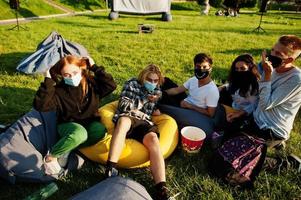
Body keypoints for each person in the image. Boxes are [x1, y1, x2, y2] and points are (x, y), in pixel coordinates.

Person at [33, 55, 116, 175]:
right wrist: (48, 81)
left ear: (81, 69)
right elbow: (40, 105)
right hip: (67, 125)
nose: (71, 77)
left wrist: (94, 67)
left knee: (99, 130)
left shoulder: (91, 84)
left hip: (89, 123)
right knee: (79, 134)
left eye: (75, 72)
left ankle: (70, 147)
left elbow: (111, 85)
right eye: (66, 74)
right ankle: (52, 156)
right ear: (61, 74)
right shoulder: (59, 91)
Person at [105, 64, 170, 200]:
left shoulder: (157, 91)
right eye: (149, 80)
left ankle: (162, 188)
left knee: (153, 139)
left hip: (144, 121)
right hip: (128, 116)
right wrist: (145, 99)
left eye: (155, 81)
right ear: (143, 77)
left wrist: (155, 109)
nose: (152, 83)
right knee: (123, 123)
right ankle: (110, 169)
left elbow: (151, 110)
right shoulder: (132, 84)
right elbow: (123, 105)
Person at [224, 35, 301, 145]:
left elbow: (265, 104)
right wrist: (244, 111)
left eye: (278, 54)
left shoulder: (296, 79)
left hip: (272, 129)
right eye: (272, 50)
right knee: (226, 133)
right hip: (256, 118)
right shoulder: (270, 66)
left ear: (289, 59)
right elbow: (255, 93)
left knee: (234, 148)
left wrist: (268, 75)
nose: (272, 55)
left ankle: (280, 160)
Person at [165, 53, 219, 118]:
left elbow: (210, 114)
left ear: (210, 69)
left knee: (165, 100)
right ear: (194, 67)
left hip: (193, 112)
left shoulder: (212, 90)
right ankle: (157, 93)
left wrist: (190, 106)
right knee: (166, 81)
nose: (201, 69)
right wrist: (162, 93)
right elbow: (177, 90)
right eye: (198, 67)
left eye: (204, 67)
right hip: (185, 102)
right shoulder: (194, 79)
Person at [219, 54, 260, 123]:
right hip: (234, 107)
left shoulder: (254, 85)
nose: (239, 71)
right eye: (236, 69)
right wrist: (222, 87)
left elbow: (255, 104)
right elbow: (230, 84)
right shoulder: (237, 80)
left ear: (250, 69)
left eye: (242, 68)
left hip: (245, 114)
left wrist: (241, 113)